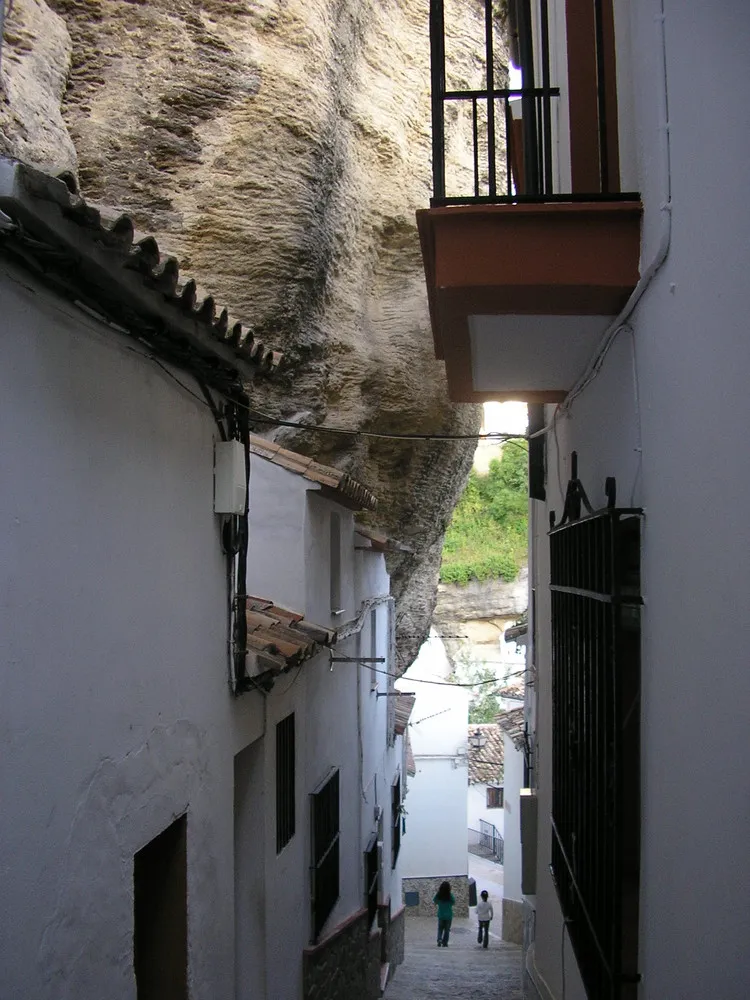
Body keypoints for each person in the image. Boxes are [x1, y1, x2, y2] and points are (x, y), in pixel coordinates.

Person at [433, 881, 455, 947]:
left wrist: (439, 903)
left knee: (440, 928)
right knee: (447, 930)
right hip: (448, 915)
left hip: (441, 915)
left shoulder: (439, 894)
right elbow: (453, 902)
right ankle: (445, 943)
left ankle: (439, 940)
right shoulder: (449, 895)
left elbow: (435, 900)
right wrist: (449, 905)